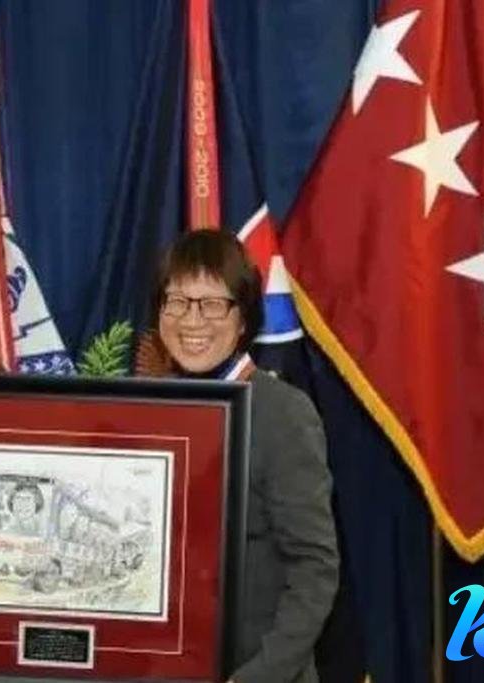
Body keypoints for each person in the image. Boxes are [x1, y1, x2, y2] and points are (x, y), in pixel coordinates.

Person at [149, 229, 339, 683]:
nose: (192, 320)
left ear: (243, 319)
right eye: (177, 301)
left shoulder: (283, 413)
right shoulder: (149, 409)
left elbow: (314, 569)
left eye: (213, 304)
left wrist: (258, 677)